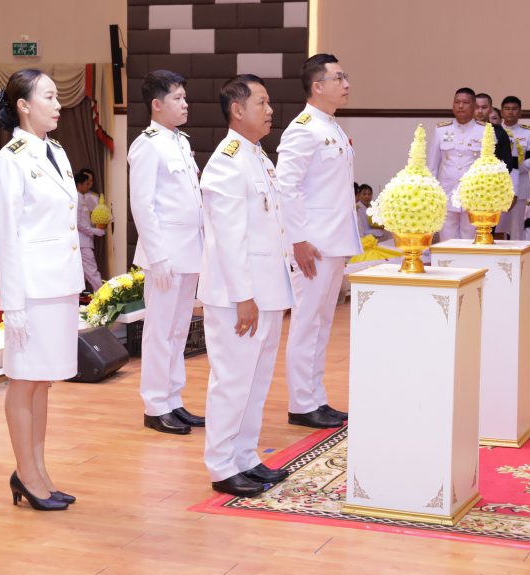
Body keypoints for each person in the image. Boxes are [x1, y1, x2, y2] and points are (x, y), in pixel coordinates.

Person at [0, 68, 85, 511]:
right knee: (23, 380)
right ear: (24, 105)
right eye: (48, 96)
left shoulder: (56, 151)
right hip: (30, 289)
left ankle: (39, 470)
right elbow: (7, 236)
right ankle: (26, 474)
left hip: (59, 284)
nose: (58, 104)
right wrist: (13, 305)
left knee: (42, 381)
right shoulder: (9, 159)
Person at [199, 74, 295, 496]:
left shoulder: (258, 157)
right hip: (238, 295)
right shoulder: (227, 161)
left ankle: (245, 457)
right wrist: (244, 297)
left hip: (265, 291)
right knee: (232, 381)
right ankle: (222, 466)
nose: (270, 110)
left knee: (256, 382)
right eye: (262, 102)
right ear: (237, 110)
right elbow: (228, 238)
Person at [276, 53, 358, 429]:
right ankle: (301, 403)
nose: (346, 84)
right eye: (338, 78)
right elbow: (286, 187)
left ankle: (316, 398)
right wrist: (298, 240)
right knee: (307, 322)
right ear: (317, 86)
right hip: (312, 245)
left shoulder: (332, 126)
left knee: (323, 324)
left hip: (333, 241)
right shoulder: (303, 128)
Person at [128, 69, 206, 435]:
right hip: (165, 256)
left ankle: (174, 399)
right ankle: (155, 406)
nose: (185, 104)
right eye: (177, 98)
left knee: (178, 331)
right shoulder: (148, 145)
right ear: (157, 105)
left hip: (188, 252)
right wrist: (157, 256)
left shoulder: (180, 141)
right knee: (159, 332)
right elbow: (142, 206)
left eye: (185, 97)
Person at [431, 88, 514, 240]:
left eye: (465, 102)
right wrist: (431, 194)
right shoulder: (441, 130)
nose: (460, 106)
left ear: (474, 106)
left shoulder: (486, 131)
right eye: (457, 102)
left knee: (471, 243)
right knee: (447, 243)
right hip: (446, 195)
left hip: (474, 198)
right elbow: (433, 165)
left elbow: (491, 168)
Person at [500, 96, 530, 240]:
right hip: (496, 186)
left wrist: (514, 168)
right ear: (501, 112)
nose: (510, 112)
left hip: (519, 187)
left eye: (514, 109)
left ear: (520, 112)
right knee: (496, 227)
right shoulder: (493, 130)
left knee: (516, 228)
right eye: (507, 109)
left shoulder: (528, 132)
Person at [75, 171, 105, 292]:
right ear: (79, 185)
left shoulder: (83, 197)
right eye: (87, 184)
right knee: (92, 272)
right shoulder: (76, 198)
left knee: (83, 272)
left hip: (85, 241)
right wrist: (94, 231)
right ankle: (103, 296)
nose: (89, 186)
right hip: (82, 242)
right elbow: (77, 223)